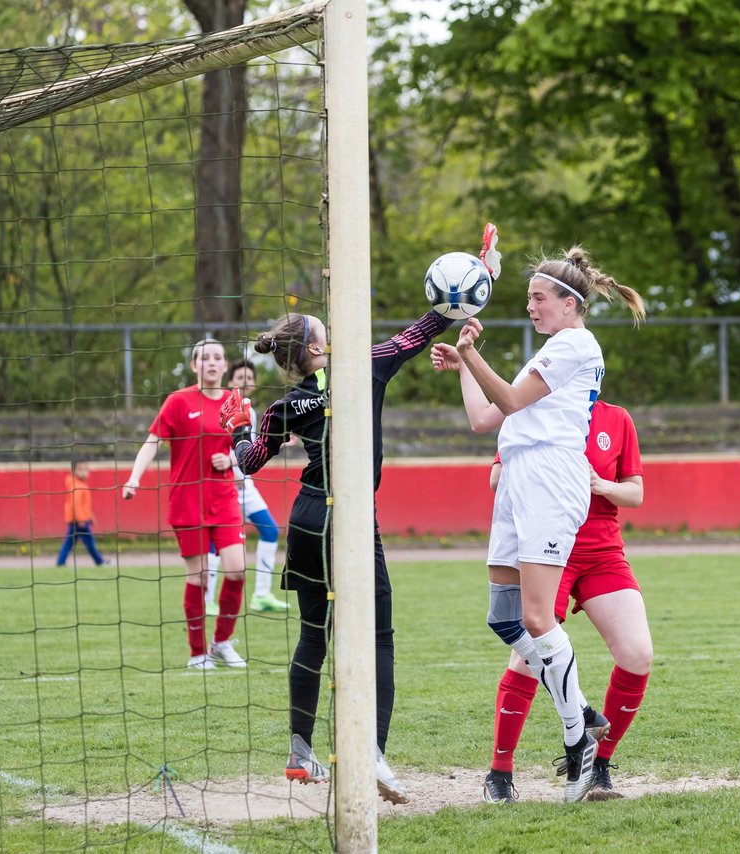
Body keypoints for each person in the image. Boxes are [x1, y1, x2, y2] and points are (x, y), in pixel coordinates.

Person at [430, 245, 647, 803]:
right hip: (519, 479)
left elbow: (504, 395)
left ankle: (576, 739)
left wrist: (472, 353)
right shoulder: (549, 350)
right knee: (504, 618)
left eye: (537, 297)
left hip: (551, 478)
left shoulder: (576, 344)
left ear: (570, 304)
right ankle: (582, 713)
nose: (529, 305)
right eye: (529, 296)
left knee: (533, 614)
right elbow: (484, 417)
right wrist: (463, 365)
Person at [225, 309, 456, 804]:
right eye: (320, 327)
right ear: (313, 348)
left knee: (313, 636)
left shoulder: (286, 403)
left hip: (307, 517)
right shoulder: (365, 365)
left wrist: (239, 432)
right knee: (379, 638)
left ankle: (300, 753)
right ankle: (370, 754)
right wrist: (461, 297)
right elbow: (419, 333)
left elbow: (248, 463)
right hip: (349, 518)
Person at [122, 339, 248, 670]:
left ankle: (221, 643)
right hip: (187, 501)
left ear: (225, 366)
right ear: (194, 366)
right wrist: (135, 478)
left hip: (224, 499)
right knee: (200, 578)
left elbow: (247, 449)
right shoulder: (178, 401)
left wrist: (231, 458)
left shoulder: (234, 403)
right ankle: (197, 655)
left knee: (237, 570)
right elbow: (152, 442)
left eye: (217, 357)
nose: (211, 362)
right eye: (204, 357)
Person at [204, 359, 290, 616]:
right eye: (240, 377)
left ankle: (261, 595)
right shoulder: (219, 408)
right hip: (222, 486)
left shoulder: (250, 412)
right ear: (231, 381)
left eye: (249, 377)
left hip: (245, 485)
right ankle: (208, 599)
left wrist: (281, 440)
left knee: (270, 531)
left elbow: (251, 448)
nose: (245, 381)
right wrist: (228, 461)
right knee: (215, 542)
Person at [56, 459, 106, 567]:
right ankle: (100, 562)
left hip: (78, 519)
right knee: (89, 542)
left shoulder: (80, 484)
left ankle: (60, 563)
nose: (83, 472)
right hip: (79, 521)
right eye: (80, 469)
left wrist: (90, 516)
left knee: (69, 542)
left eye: (85, 469)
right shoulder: (76, 486)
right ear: (74, 471)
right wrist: (81, 519)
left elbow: (84, 505)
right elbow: (76, 504)